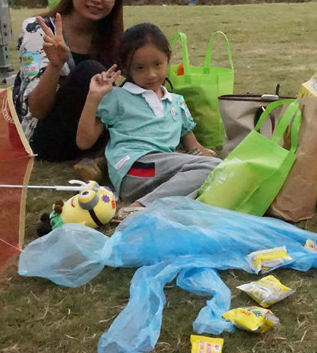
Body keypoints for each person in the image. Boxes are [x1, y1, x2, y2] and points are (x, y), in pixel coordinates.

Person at [76, 23, 220, 216]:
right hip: (135, 167)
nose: (151, 74)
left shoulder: (176, 102)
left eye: (158, 65)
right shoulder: (118, 98)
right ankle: (140, 208)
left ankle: (166, 208)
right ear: (126, 68)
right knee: (213, 169)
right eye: (140, 68)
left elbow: (195, 149)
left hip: (165, 173)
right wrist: (93, 97)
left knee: (220, 174)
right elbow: (84, 141)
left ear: (168, 58)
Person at [12, 0, 124, 164]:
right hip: (46, 137)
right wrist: (55, 66)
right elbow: (37, 109)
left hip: (92, 130)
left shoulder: (109, 37)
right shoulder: (36, 30)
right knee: (90, 71)